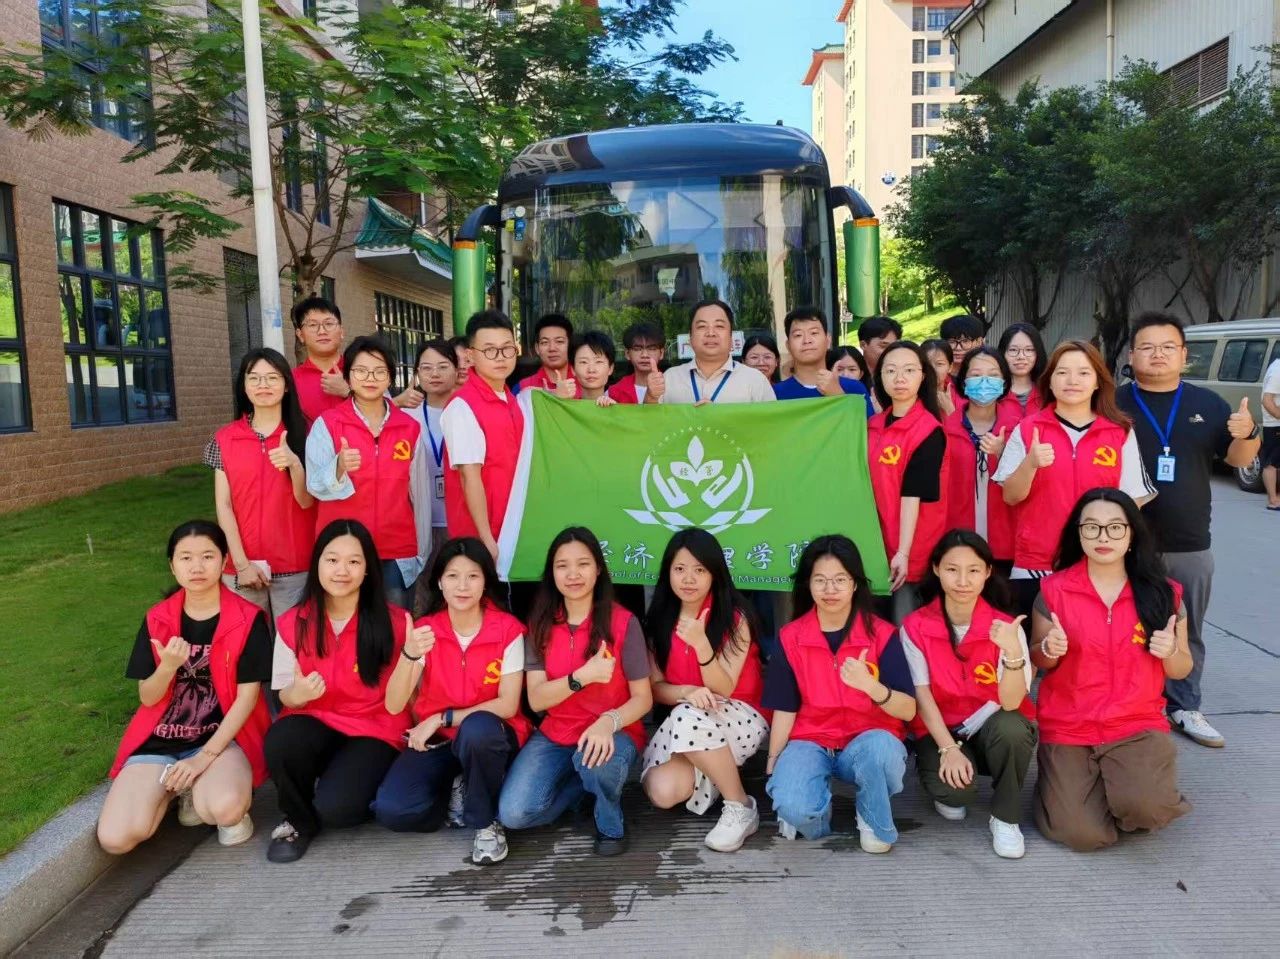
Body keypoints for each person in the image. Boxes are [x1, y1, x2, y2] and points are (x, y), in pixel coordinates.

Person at [1117, 313, 1260, 748]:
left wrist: (1249, 433)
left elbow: (1237, 460)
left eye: (1167, 347)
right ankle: (1127, 706)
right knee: (1122, 628)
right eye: (1147, 347)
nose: (1157, 355)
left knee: (1186, 627)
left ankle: (1184, 705)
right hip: (1121, 542)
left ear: (1183, 355)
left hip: (1189, 540)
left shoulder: (1209, 404)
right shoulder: (1112, 403)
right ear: (1131, 355)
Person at [1030, 489, 1193, 851]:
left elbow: (1182, 669)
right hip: (1070, 724)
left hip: (1134, 723)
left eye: (1115, 527)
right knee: (1081, 835)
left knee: (1148, 810)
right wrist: (1047, 649)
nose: (1103, 537)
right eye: (1091, 527)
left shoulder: (1163, 594)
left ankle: (1122, 784)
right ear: (1078, 533)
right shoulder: (1054, 590)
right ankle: (1071, 789)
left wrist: (1169, 651)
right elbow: (1038, 659)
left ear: (1132, 533)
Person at [99, 521, 270, 854]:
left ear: (224, 562)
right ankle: (174, 790)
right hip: (160, 740)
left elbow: (247, 699)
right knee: (115, 839)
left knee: (223, 809)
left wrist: (202, 759)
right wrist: (167, 667)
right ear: (172, 565)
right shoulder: (157, 619)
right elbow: (147, 696)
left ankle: (199, 786)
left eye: (207, 556)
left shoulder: (247, 618)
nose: (197, 567)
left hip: (220, 739)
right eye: (186, 558)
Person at [373, 537, 529, 865]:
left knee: (478, 730)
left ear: (485, 582)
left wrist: (442, 717)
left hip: (491, 738)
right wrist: (408, 654)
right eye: (453, 576)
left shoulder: (508, 630)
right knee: (393, 809)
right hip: (441, 741)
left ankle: (485, 823)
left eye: (473, 576)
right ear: (440, 582)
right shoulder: (426, 631)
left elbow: (507, 705)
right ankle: (457, 795)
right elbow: (394, 704)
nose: (462, 586)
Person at [498, 528, 653, 856]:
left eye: (583, 564)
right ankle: (584, 791)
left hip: (614, 732)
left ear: (598, 569)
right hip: (557, 733)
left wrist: (608, 722)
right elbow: (536, 699)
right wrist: (582, 677)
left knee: (596, 765)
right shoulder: (540, 624)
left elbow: (643, 698)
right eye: (562, 566)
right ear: (552, 573)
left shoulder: (623, 622)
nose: (573, 574)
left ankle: (610, 823)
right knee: (514, 814)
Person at [264, 520, 412, 862]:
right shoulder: (293, 622)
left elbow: (405, 694)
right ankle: (297, 821)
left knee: (338, 810)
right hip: (317, 720)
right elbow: (283, 694)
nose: (341, 571)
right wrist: (298, 694)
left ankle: (361, 782)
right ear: (317, 563)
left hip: (374, 727)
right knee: (282, 738)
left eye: (353, 561)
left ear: (367, 569)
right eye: (332, 560)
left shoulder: (396, 622)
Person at [764, 536, 916, 852]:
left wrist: (871, 687)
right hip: (812, 740)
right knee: (793, 807)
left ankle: (870, 810)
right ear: (808, 585)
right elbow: (785, 707)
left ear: (855, 584)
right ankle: (819, 809)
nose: (830, 589)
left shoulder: (882, 634)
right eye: (820, 580)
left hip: (868, 740)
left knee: (883, 752)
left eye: (840, 580)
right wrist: (774, 760)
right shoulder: (791, 637)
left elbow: (908, 709)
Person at [900, 531, 1036, 859]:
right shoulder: (915, 626)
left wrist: (1012, 652)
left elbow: (1011, 702)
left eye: (973, 570)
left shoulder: (1006, 627)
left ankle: (1005, 818)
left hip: (991, 727)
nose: (963, 581)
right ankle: (947, 776)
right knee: (955, 798)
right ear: (936, 569)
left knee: (1013, 728)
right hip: (941, 730)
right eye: (952, 569)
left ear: (988, 572)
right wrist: (948, 749)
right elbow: (921, 695)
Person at [995, 339, 1155, 616]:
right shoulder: (1028, 429)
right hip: (1037, 563)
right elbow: (1010, 496)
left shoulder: (1119, 432)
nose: (1072, 381)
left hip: (1098, 565)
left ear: (1097, 382)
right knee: (1037, 640)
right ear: (1050, 381)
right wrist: (1030, 464)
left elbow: (1132, 502)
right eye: (1062, 372)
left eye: (1083, 372)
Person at [641, 529, 767, 853]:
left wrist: (701, 644)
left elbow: (723, 687)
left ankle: (740, 806)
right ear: (668, 572)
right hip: (690, 719)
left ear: (715, 573)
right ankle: (716, 771)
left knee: (686, 715)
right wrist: (686, 691)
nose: (689, 579)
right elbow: (656, 689)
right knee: (663, 791)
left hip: (740, 713)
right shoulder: (658, 620)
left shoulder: (736, 617)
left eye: (700, 570)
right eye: (680, 569)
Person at [304, 336, 429, 611]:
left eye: (379, 371)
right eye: (360, 371)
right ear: (348, 377)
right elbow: (313, 484)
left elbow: (420, 496)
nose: (370, 378)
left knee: (395, 627)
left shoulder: (409, 428)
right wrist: (338, 466)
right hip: (342, 551)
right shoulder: (328, 424)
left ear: (390, 377)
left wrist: (421, 553)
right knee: (345, 626)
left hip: (396, 550)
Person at [205, 348, 315, 623]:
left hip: (295, 567)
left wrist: (294, 464)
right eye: (254, 378)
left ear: (286, 385)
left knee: (294, 644)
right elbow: (224, 505)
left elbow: (307, 501)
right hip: (242, 567)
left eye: (272, 377)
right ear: (243, 386)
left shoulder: (309, 433)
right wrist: (241, 564)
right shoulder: (225, 438)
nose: (263, 385)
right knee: (249, 644)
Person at [868, 341, 949, 621]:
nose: (899, 378)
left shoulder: (928, 430)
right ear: (880, 377)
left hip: (910, 548)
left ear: (923, 376)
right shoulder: (873, 426)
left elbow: (912, 493)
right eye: (890, 370)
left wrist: (903, 552)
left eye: (909, 370)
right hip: (875, 544)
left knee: (905, 624)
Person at [440, 311, 524, 562]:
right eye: (489, 350)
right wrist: (486, 539)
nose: (500, 357)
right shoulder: (463, 405)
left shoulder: (511, 399)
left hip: (512, 529)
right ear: (470, 355)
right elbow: (469, 476)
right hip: (481, 540)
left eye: (507, 348)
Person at [943, 347, 1021, 569]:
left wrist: (1002, 453)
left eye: (993, 375)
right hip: (957, 543)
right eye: (976, 375)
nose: (985, 382)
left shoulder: (1018, 429)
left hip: (1007, 545)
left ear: (1004, 382)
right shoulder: (944, 430)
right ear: (963, 381)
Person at [656, 299, 776, 404]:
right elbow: (653, 420)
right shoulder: (670, 378)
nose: (711, 333)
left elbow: (771, 422)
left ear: (731, 337)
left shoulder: (755, 380)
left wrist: (719, 416)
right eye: (702, 326)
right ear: (690, 338)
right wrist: (651, 397)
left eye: (719, 326)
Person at [404, 339, 459, 548]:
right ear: (417, 373)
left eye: (443, 367)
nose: (435, 374)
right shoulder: (407, 416)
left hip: (461, 520)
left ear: (456, 371)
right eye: (426, 368)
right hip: (418, 521)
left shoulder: (467, 413)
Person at [773, 306, 873, 417]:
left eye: (814, 333)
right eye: (798, 335)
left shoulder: (854, 388)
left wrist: (838, 395)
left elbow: (864, 426)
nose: (807, 340)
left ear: (828, 340)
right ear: (788, 346)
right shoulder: (775, 394)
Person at [290, 296, 348, 425]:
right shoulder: (290, 380)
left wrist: (348, 392)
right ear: (300, 335)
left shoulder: (362, 371)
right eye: (312, 325)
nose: (322, 331)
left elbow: (384, 415)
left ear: (341, 331)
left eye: (329, 324)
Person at [516, 313, 579, 396]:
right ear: (537, 348)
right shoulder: (523, 388)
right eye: (545, 342)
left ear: (570, 345)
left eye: (559, 341)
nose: (552, 348)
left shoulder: (585, 382)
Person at [607, 321, 664, 404]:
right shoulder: (613, 392)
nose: (644, 355)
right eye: (637, 349)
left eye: (651, 348)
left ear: (661, 353)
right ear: (627, 354)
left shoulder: (674, 385)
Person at [997, 322, 1047, 415]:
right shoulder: (992, 392)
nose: (1021, 356)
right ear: (1002, 352)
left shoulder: (1049, 392)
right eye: (1013, 350)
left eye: (1029, 350)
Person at [572, 330, 619, 404]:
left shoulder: (621, 406)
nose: (591, 370)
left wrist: (614, 409)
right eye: (584, 362)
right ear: (573, 369)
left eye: (598, 362)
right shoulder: (564, 407)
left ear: (610, 368)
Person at [922, 338, 960, 417]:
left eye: (939, 364)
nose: (932, 369)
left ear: (950, 367)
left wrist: (949, 409)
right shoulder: (911, 396)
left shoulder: (962, 392)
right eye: (927, 363)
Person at [940, 314, 985, 378]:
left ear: (979, 342)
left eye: (965, 341)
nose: (958, 348)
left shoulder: (988, 372)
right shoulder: (935, 373)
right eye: (952, 341)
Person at [1262, 351, 1280, 510]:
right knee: (1271, 463)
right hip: (1275, 424)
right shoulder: (1278, 369)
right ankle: (1273, 500)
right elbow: (1267, 400)